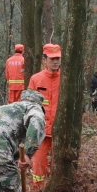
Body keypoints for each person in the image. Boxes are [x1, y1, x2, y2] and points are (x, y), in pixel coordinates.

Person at [27, 44, 63, 184]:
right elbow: (29, 105)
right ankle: (38, 190)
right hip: (40, 130)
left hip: (59, 130)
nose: (55, 62)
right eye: (52, 59)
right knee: (38, 164)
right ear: (44, 59)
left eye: (58, 59)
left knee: (58, 164)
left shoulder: (65, 79)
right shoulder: (36, 79)